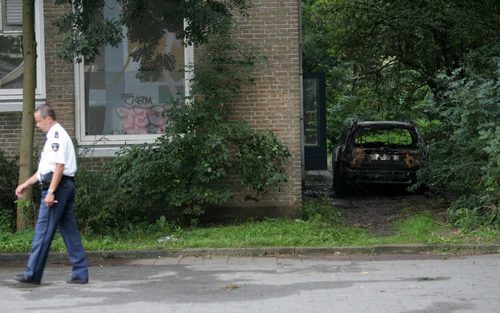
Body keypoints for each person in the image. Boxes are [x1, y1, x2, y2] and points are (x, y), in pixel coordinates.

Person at [14, 104, 89, 285]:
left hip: (58, 187)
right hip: (63, 185)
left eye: (39, 121)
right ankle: (80, 273)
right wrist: (26, 184)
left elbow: (59, 166)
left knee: (43, 231)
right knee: (69, 231)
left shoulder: (56, 136)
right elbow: (44, 171)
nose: (38, 125)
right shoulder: (54, 137)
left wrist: (50, 192)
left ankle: (32, 274)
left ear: (48, 118)